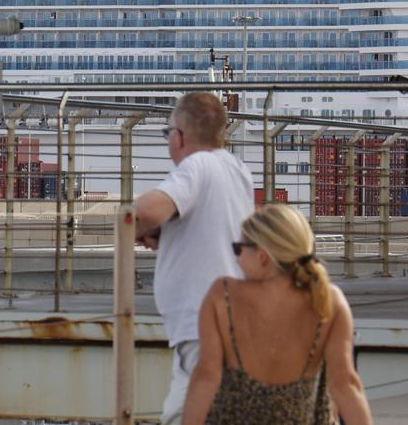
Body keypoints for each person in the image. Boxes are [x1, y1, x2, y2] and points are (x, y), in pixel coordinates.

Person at [183, 204, 373, 425]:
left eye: (238, 249)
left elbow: (206, 375)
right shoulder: (328, 301)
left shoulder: (223, 296)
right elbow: (345, 384)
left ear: (262, 256)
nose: (236, 259)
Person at [133, 92, 254, 425]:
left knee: (184, 416)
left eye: (167, 132)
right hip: (230, 318)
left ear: (179, 136)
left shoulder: (195, 166)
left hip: (201, 325)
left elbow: (146, 210)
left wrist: (132, 225)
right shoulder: (237, 169)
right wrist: (162, 232)